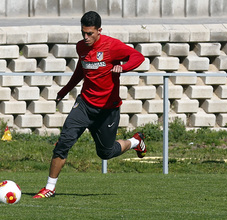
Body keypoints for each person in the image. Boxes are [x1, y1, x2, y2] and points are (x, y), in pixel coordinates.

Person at [33, 11, 146, 198]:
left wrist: (122, 67)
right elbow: (80, 70)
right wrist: (65, 90)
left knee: (106, 153)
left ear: (99, 30)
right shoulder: (81, 47)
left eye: (90, 33)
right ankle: (49, 188)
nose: (86, 37)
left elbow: (137, 57)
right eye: (83, 33)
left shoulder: (112, 46)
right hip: (84, 105)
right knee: (64, 142)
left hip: (107, 110)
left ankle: (135, 141)